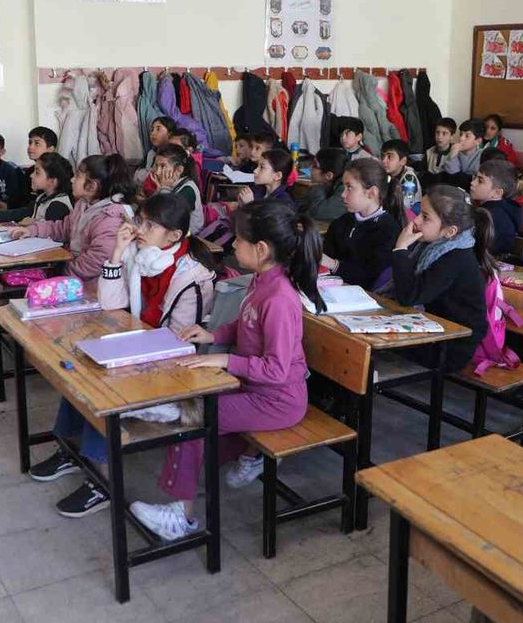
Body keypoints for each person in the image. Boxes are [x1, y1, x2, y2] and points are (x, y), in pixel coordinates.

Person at [128, 200, 325, 541]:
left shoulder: (280, 298)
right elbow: (245, 325)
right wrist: (213, 335)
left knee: (193, 420)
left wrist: (224, 360)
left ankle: (181, 517)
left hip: (276, 400)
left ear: (261, 249)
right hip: (252, 389)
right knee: (193, 420)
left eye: (239, 239)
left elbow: (277, 370)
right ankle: (248, 454)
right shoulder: (261, 280)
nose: (232, 245)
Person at [33, 193, 218, 517]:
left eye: (150, 225)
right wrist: (117, 253)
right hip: (140, 351)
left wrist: (126, 356)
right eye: (140, 221)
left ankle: (101, 482)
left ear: (174, 235)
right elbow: (111, 306)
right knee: (79, 365)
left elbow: (177, 347)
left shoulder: (191, 277)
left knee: (101, 385)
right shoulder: (140, 256)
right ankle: (69, 450)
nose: (139, 229)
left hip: (175, 379)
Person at [391, 185, 489, 372]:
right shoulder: (433, 247)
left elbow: (409, 296)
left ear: (450, 231)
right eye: (419, 213)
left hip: (451, 346)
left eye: (425, 217)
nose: (416, 220)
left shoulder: (455, 258)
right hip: (434, 330)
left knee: (368, 348)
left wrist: (400, 249)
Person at [10, 153, 133, 281]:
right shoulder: (83, 204)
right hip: (74, 271)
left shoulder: (111, 217)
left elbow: (96, 262)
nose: (72, 180)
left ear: (92, 186)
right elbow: (63, 228)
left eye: (78, 176)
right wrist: (31, 230)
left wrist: (62, 273)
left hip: (95, 283)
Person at [321, 159, 402, 290]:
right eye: (343, 187)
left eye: (349, 187)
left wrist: (333, 264)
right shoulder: (341, 222)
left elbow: (371, 277)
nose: (342, 194)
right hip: (330, 288)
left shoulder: (388, 230)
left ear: (371, 193)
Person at [0, 152, 72, 225]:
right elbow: (19, 213)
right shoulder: (42, 198)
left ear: (52, 181)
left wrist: (33, 224)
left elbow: (52, 234)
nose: (31, 175)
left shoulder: (58, 206)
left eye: (37, 172)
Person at [469, 158, 522, 256]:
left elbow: (478, 250)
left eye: (480, 180)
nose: (472, 182)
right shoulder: (500, 208)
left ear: (497, 193)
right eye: (475, 177)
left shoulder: (491, 215)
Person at [151, 144, 205, 234]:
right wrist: (158, 190)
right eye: (156, 166)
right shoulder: (168, 184)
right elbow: (150, 211)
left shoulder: (188, 189)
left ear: (179, 170)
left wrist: (164, 189)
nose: (157, 172)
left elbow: (165, 216)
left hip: (189, 237)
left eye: (163, 166)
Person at [300, 147, 349, 222]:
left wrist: (317, 186)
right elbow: (303, 206)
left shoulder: (345, 189)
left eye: (314, 165)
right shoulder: (329, 183)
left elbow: (317, 212)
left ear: (328, 175)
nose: (309, 168)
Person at [381, 138, 422, 219]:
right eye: (382, 156)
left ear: (403, 161)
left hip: (407, 217)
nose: (384, 161)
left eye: (389, 156)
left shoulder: (409, 181)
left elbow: (405, 208)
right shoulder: (387, 174)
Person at [441, 118, 484, 188]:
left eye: (467, 136)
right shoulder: (454, 152)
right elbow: (451, 178)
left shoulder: (482, 156)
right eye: (461, 134)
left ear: (478, 141)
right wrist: (452, 156)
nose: (461, 138)